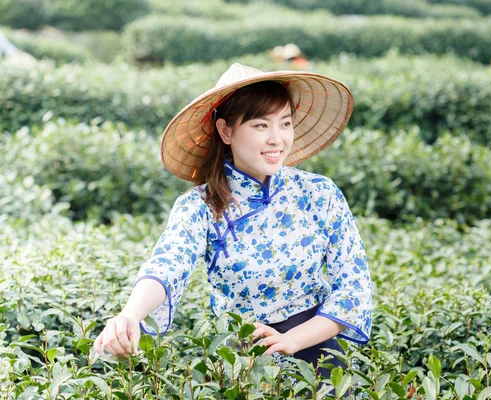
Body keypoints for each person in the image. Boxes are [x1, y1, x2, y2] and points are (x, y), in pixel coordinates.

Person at [93, 63, 373, 380]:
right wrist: (130, 314)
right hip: (243, 356)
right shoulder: (199, 206)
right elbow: (169, 263)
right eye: (260, 126)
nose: (277, 139)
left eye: (285, 123)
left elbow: (353, 289)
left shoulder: (320, 194)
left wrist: (292, 340)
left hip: (318, 352)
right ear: (226, 131)